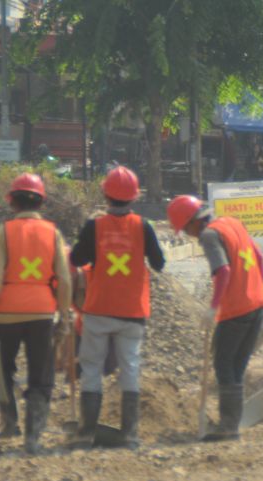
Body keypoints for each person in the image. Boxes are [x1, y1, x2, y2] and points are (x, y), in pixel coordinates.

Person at [68, 166, 166, 449]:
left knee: (91, 368)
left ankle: (86, 432)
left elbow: (75, 258)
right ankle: (130, 435)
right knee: (130, 367)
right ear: (135, 197)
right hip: (133, 312)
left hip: (98, 310)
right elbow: (159, 263)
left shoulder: (94, 227)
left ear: (105, 195)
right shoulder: (143, 226)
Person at [0, 173, 72, 455]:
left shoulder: (3, 233)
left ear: (12, 203)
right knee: (41, 376)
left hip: (7, 314)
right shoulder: (52, 233)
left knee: (1, 370)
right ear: (40, 202)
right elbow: (64, 280)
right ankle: (33, 438)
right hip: (42, 313)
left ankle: (8, 423)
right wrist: (64, 316)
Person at [167, 195, 263, 441]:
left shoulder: (209, 235)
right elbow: (258, 257)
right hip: (260, 306)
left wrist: (213, 307)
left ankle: (228, 425)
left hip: (236, 312)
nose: (189, 235)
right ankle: (231, 422)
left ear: (193, 222)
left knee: (224, 365)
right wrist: (257, 288)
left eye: (185, 229)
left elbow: (223, 270)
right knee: (236, 365)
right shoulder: (232, 223)